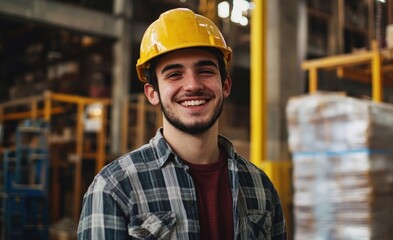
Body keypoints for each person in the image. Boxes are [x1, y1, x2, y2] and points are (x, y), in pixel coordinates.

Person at [78, 8, 286, 239]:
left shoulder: (261, 187)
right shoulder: (115, 188)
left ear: (225, 85)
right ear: (152, 93)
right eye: (174, 74)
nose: (192, 85)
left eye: (205, 71)